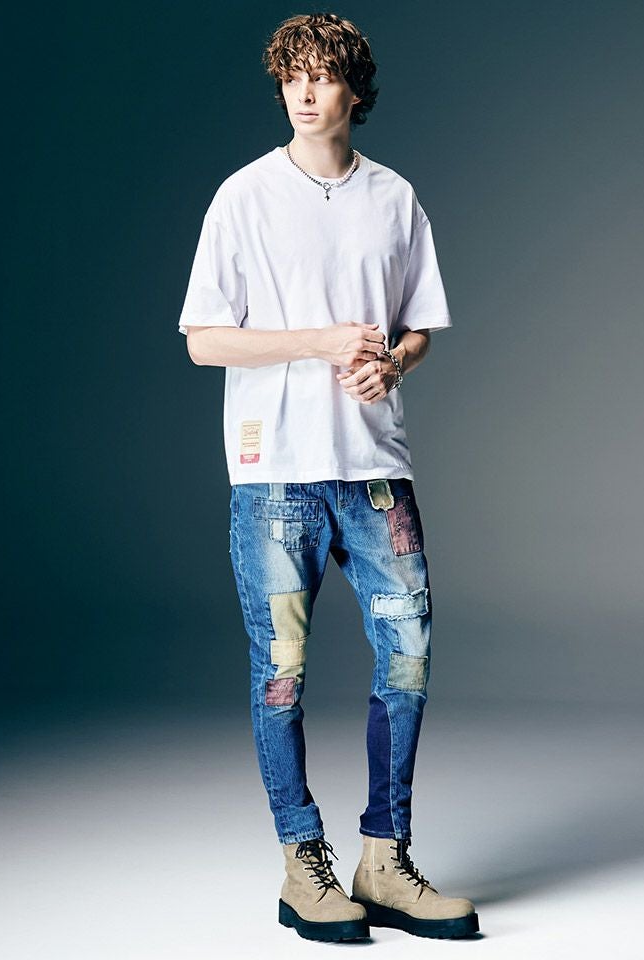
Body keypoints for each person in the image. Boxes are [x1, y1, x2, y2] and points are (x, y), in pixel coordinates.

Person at [177, 11, 479, 943]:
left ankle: (384, 859)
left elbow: (419, 326)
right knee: (282, 673)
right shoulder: (243, 197)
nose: (306, 92)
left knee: (409, 657)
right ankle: (301, 863)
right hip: (277, 476)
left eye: (324, 76)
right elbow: (203, 341)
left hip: (376, 472)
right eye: (292, 76)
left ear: (355, 90)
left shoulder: (394, 198)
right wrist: (318, 340)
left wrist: (395, 366)